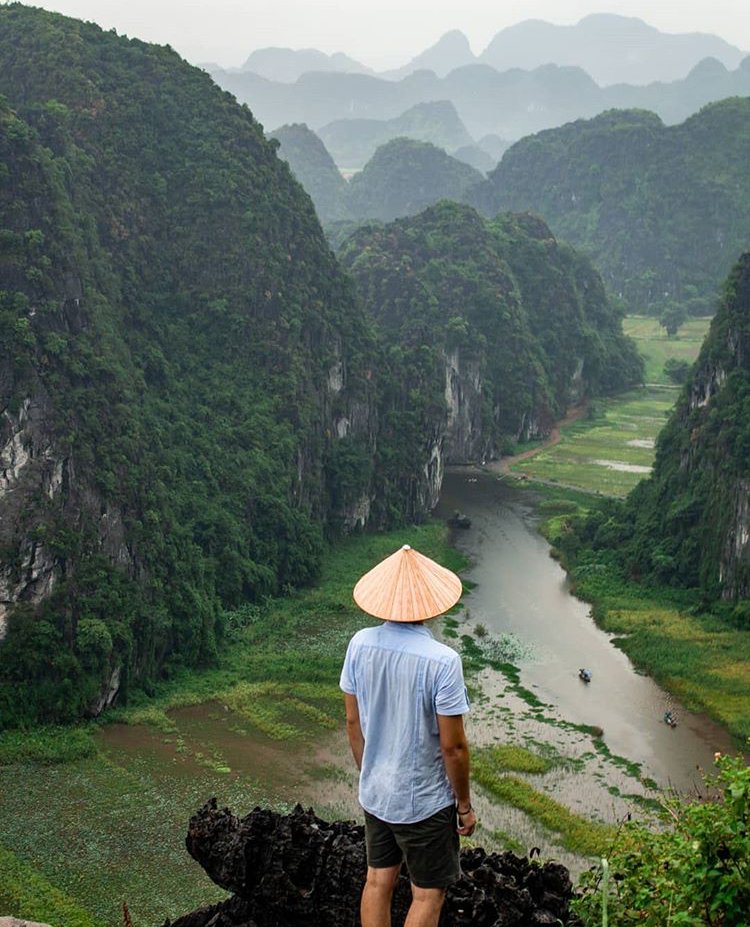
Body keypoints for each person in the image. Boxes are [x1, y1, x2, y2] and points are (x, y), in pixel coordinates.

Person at [340, 544, 477, 927]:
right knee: (427, 893)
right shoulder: (443, 661)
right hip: (424, 802)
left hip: (377, 792)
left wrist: (370, 773)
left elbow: (354, 724)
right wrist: (463, 805)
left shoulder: (359, 644)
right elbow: (453, 747)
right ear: (430, 604)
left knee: (377, 880)